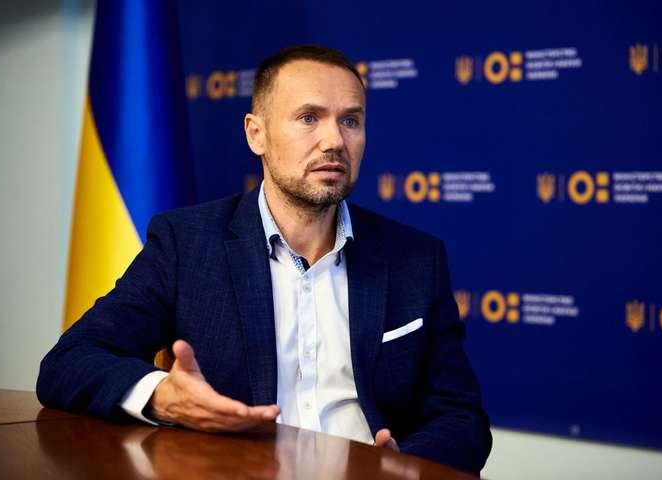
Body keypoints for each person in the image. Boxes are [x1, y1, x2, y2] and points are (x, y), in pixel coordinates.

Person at [37, 45, 492, 474]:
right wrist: (162, 397)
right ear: (256, 133)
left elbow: (462, 419)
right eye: (309, 118)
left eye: (350, 121)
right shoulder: (187, 244)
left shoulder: (416, 258)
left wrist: (401, 467)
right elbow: (69, 362)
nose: (334, 140)